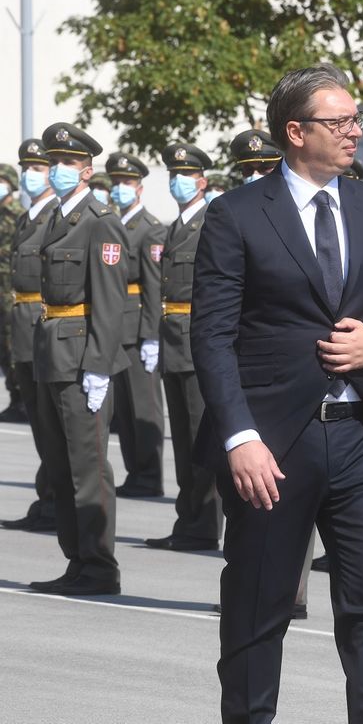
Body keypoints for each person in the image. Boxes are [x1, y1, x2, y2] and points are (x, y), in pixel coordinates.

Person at [190, 63, 363, 721]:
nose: (355, 132)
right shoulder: (235, 215)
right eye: (339, 121)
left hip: (362, 436)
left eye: (356, 120)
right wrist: (240, 439)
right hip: (272, 447)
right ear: (295, 132)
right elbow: (212, 338)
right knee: (258, 612)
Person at [28, 122, 128, 597]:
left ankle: (99, 566)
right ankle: (77, 560)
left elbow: (109, 302)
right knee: (61, 464)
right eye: (54, 162)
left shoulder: (101, 219)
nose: (57, 169)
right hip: (52, 352)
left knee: (88, 468)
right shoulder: (54, 217)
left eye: (67, 162)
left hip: (81, 357)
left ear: (87, 169)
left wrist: (98, 365)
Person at [143, 143, 225, 551]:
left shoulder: (210, 222)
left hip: (196, 339)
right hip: (173, 337)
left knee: (199, 437)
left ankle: (205, 523)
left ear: (202, 182)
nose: (177, 182)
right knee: (183, 437)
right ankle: (188, 518)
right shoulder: (176, 227)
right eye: (173, 175)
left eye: (186, 175)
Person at [0, 140, 59, 532]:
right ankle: (47, 499)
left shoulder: (57, 216)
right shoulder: (27, 218)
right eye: (27, 168)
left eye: (39, 167)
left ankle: (57, 504)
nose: (30, 175)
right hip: (22, 330)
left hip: (46, 329)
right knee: (40, 426)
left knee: (53, 428)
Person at [106, 152, 167, 499]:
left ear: (140, 189)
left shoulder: (150, 228)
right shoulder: (113, 223)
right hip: (115, 327)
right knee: (125, 410)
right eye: (115, 182)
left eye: (126, 183)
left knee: (144, 407)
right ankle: (135, 472)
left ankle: (149, 474)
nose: (119, 189)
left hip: (138, 327)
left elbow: (154, 285)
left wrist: (150, 335)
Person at [0, 163, 22, 422]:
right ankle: (15, 399)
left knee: (12, 345)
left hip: (12, 293)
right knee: (3, 351)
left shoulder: (18, 215)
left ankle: (22, 398)